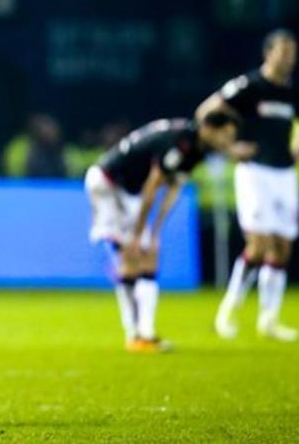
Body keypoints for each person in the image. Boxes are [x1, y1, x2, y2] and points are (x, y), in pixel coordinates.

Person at [199, 29, 299, 342]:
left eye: (293, 53)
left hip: (284, 174)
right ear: (268, 53)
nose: (289, 59)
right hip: (255, 172)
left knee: (282, 248)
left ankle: (269, 318)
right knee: (259, 243)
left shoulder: (294, 91)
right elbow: (207, 110)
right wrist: (230, 148)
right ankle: (227, 312)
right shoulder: (250, 86)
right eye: (283, 52)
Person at [85, 114, 239, 352]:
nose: (227, 141)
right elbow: (152, 187)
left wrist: (155, 231)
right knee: (131, 253)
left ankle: (143, 334)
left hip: (128, 191)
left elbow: (173, 189)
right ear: (208, 129)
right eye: (224, 135)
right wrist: (137, 234)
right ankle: (135, 334)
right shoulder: (179, 142)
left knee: (149, 251)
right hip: (108, 184)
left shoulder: (196, 149)